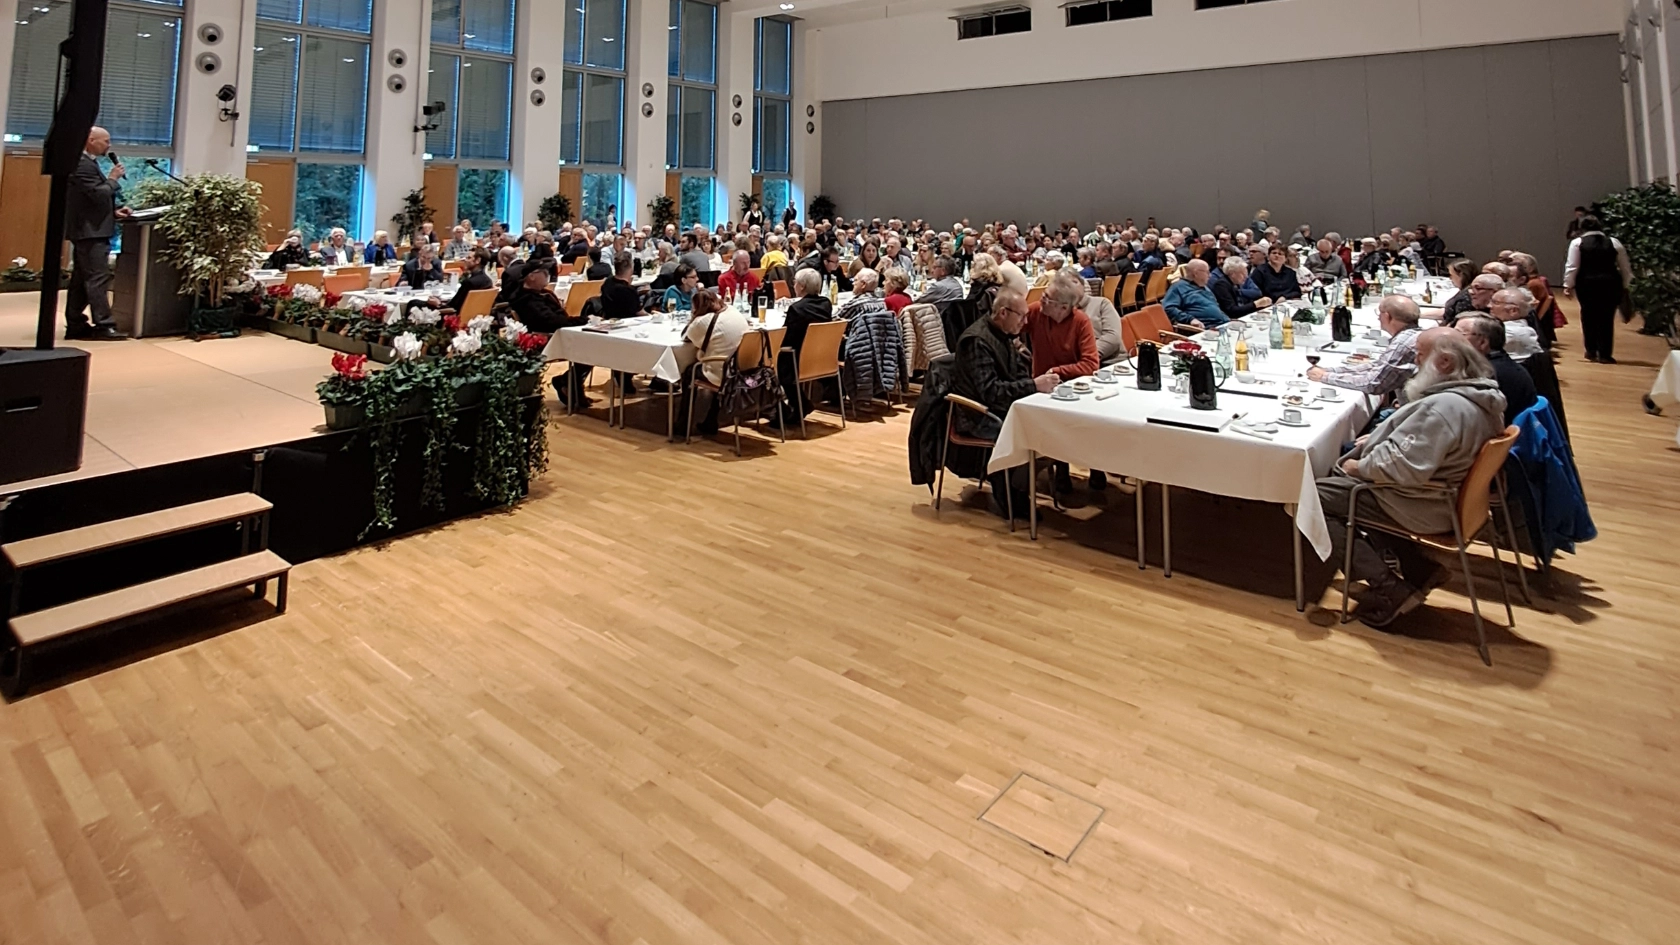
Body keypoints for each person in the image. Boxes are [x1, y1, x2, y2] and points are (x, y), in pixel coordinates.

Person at [1317, 328, 1506, 627]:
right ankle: (1419, 568)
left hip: (1420, 502)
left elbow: (1403, 467)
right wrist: (1379, 438)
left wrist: (1360, 467)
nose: (1416, 361)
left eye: (1420, 354)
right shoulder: (1481, 396)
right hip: (1447, 498)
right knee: (1339, 490)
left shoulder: (1444, 408)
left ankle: (1388, 588)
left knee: (1313, 498)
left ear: (1444, 362)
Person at [952, 286, 1060, 516]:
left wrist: (1033, 384)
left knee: (1049, 425)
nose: (1025, 322)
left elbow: (1015, 376)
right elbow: (990, 392)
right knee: (1026, 433)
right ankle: (1010, 494)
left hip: (1002, 407)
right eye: (1021, 316)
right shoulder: (977, 341)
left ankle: (1021, 486)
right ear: (1003, 313)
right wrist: (1033, 386)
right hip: (977, 414)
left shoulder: (1003, 335)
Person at [61, 127, 132, 340]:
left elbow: (89, 199)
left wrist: (113, 211)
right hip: (90, 232)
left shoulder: (87, 162)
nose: (109, 145)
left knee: (82, 279)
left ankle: (76, 323)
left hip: (91, 229)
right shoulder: (81, 164)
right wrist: (113, 179)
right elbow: (97, 194)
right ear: (90, 140)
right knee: (97, 278)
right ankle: (104, 324)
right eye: (106, 141)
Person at [1307, 295, 1422, 402]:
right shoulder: (1410, 336)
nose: (1378, 318)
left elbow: (1373, 384)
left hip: (1411, 414)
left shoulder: (1402, 343)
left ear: (1387, 316)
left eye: (1380, 313)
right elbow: (1378, 366)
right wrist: (1331, 371)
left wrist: (1324, 376)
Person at [1563, 215, 1633, 364]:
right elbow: (1625, 266)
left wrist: (1568, 285)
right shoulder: (1614, 242)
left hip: (1586, 284)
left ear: (1582, 228)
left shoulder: (1577, 243)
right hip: (1610, 283)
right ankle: (1605, 354)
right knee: (1607, 317)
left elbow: (1572, 266)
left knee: (1588, 315)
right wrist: (1625, 285)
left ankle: (1591, 350)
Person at [681, 289, 750, 436]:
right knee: (718, 367)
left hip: (724, 373)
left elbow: (686, 336)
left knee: (689, 372)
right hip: (743, 369)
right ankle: (710, 419)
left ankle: (682, 424)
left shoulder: (701, 322)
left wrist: (693, 317)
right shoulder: (733, 311)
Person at [775, 268, 835, 425]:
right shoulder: (826, 304)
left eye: (795, 282)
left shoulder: (796, 308)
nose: (793, 285)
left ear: (801, 286)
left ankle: (797, 404)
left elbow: (787, 336)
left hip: (799, 359)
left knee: (776, 359)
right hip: (820, 356)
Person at [1455, 314, 1537, 425]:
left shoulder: (1485, 375)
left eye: (1458, 334)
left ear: (1482, 342)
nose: (1450, 338)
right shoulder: (1504, 363)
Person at [1162, 259, 1229, 331]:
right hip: (1203, 329)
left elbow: (1215, 308)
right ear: (1196, 273)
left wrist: (1227, 320)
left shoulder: (1205, 287)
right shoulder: (1178, 287)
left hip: (1222, 325)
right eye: (1207, 272)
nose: (1210, 275)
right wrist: (1190, 319)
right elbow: (1168, 308)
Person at [1488, 289, 1545, 362]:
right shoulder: (1522, 327)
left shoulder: (1510, 332)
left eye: (1496, 303)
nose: (1489, 305)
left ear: (1513, 311)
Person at [1211, 257, 1271, 322]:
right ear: (1232, 274)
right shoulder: (1221, 285)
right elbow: (1232, 311)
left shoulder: (1235, 282)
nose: (1246, 277)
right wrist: (1255, 304)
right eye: (1242, 274)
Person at [1436, 259, 1482, 324]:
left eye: (1451, 275)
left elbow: (1457, 321)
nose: (1450, 278)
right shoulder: (1465, 290)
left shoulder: (1467, 297)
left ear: (1461, 275)